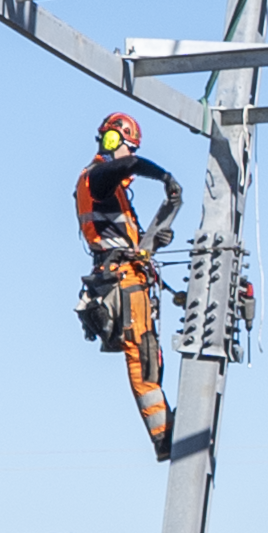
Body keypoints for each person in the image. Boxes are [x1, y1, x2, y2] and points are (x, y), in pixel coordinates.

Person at [73, 113, 186, 454]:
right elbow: (128, 165)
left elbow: (122, 241)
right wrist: (164, 176)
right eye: (124, 147)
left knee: (149, 352)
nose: (129, 158)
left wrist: (152, 241)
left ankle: (165, 425)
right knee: (141, 354)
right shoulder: (98, 176)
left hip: (127, 274)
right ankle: (163, 437)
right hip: (122, 279)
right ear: (110, 142)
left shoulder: (113, 193)